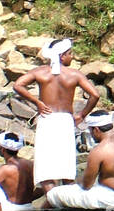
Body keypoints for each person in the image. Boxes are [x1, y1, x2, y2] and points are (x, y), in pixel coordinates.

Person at [13, 38, 100, 192]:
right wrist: (82, 115)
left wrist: (37, 102)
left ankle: (53, 200)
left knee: (46, 169)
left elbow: (18, 85)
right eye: (70, 53)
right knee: (66, 167)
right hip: (65, 120)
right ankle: (68, 202)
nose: (72, 57)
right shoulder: (74, 74)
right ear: (61, 56)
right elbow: (95, 95)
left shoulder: (40, 72)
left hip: (47, 119)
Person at [44, 111, 114, 209]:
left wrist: (74, 183)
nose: (91, 134)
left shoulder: (99, 150)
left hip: (112, 198)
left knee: (54, 194)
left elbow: (86, 185)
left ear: (96, 130)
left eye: (90, 130)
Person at [0, 131, 40, 211]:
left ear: (3, 149)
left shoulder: (4, 170)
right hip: (28, 207)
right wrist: (29, 198)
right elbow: (41, 189)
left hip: (10, 208)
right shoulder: (30, 164)